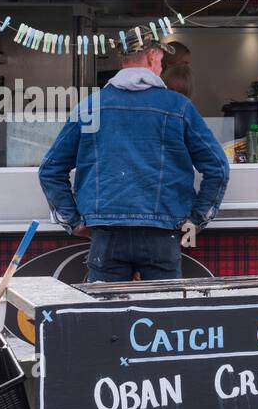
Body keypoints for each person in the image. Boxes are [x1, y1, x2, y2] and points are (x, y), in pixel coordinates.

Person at [39, 39, 229, 282]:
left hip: (106, 236)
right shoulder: (178, 107)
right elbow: (218, 168)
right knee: (163, 315)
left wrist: (73, 222)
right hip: (163, 236)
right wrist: (196, 220)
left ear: (122, 61)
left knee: (107, 317)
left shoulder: (90, 107)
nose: (161, 68)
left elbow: (50, 170)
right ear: (152, 57)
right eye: (161, 61)